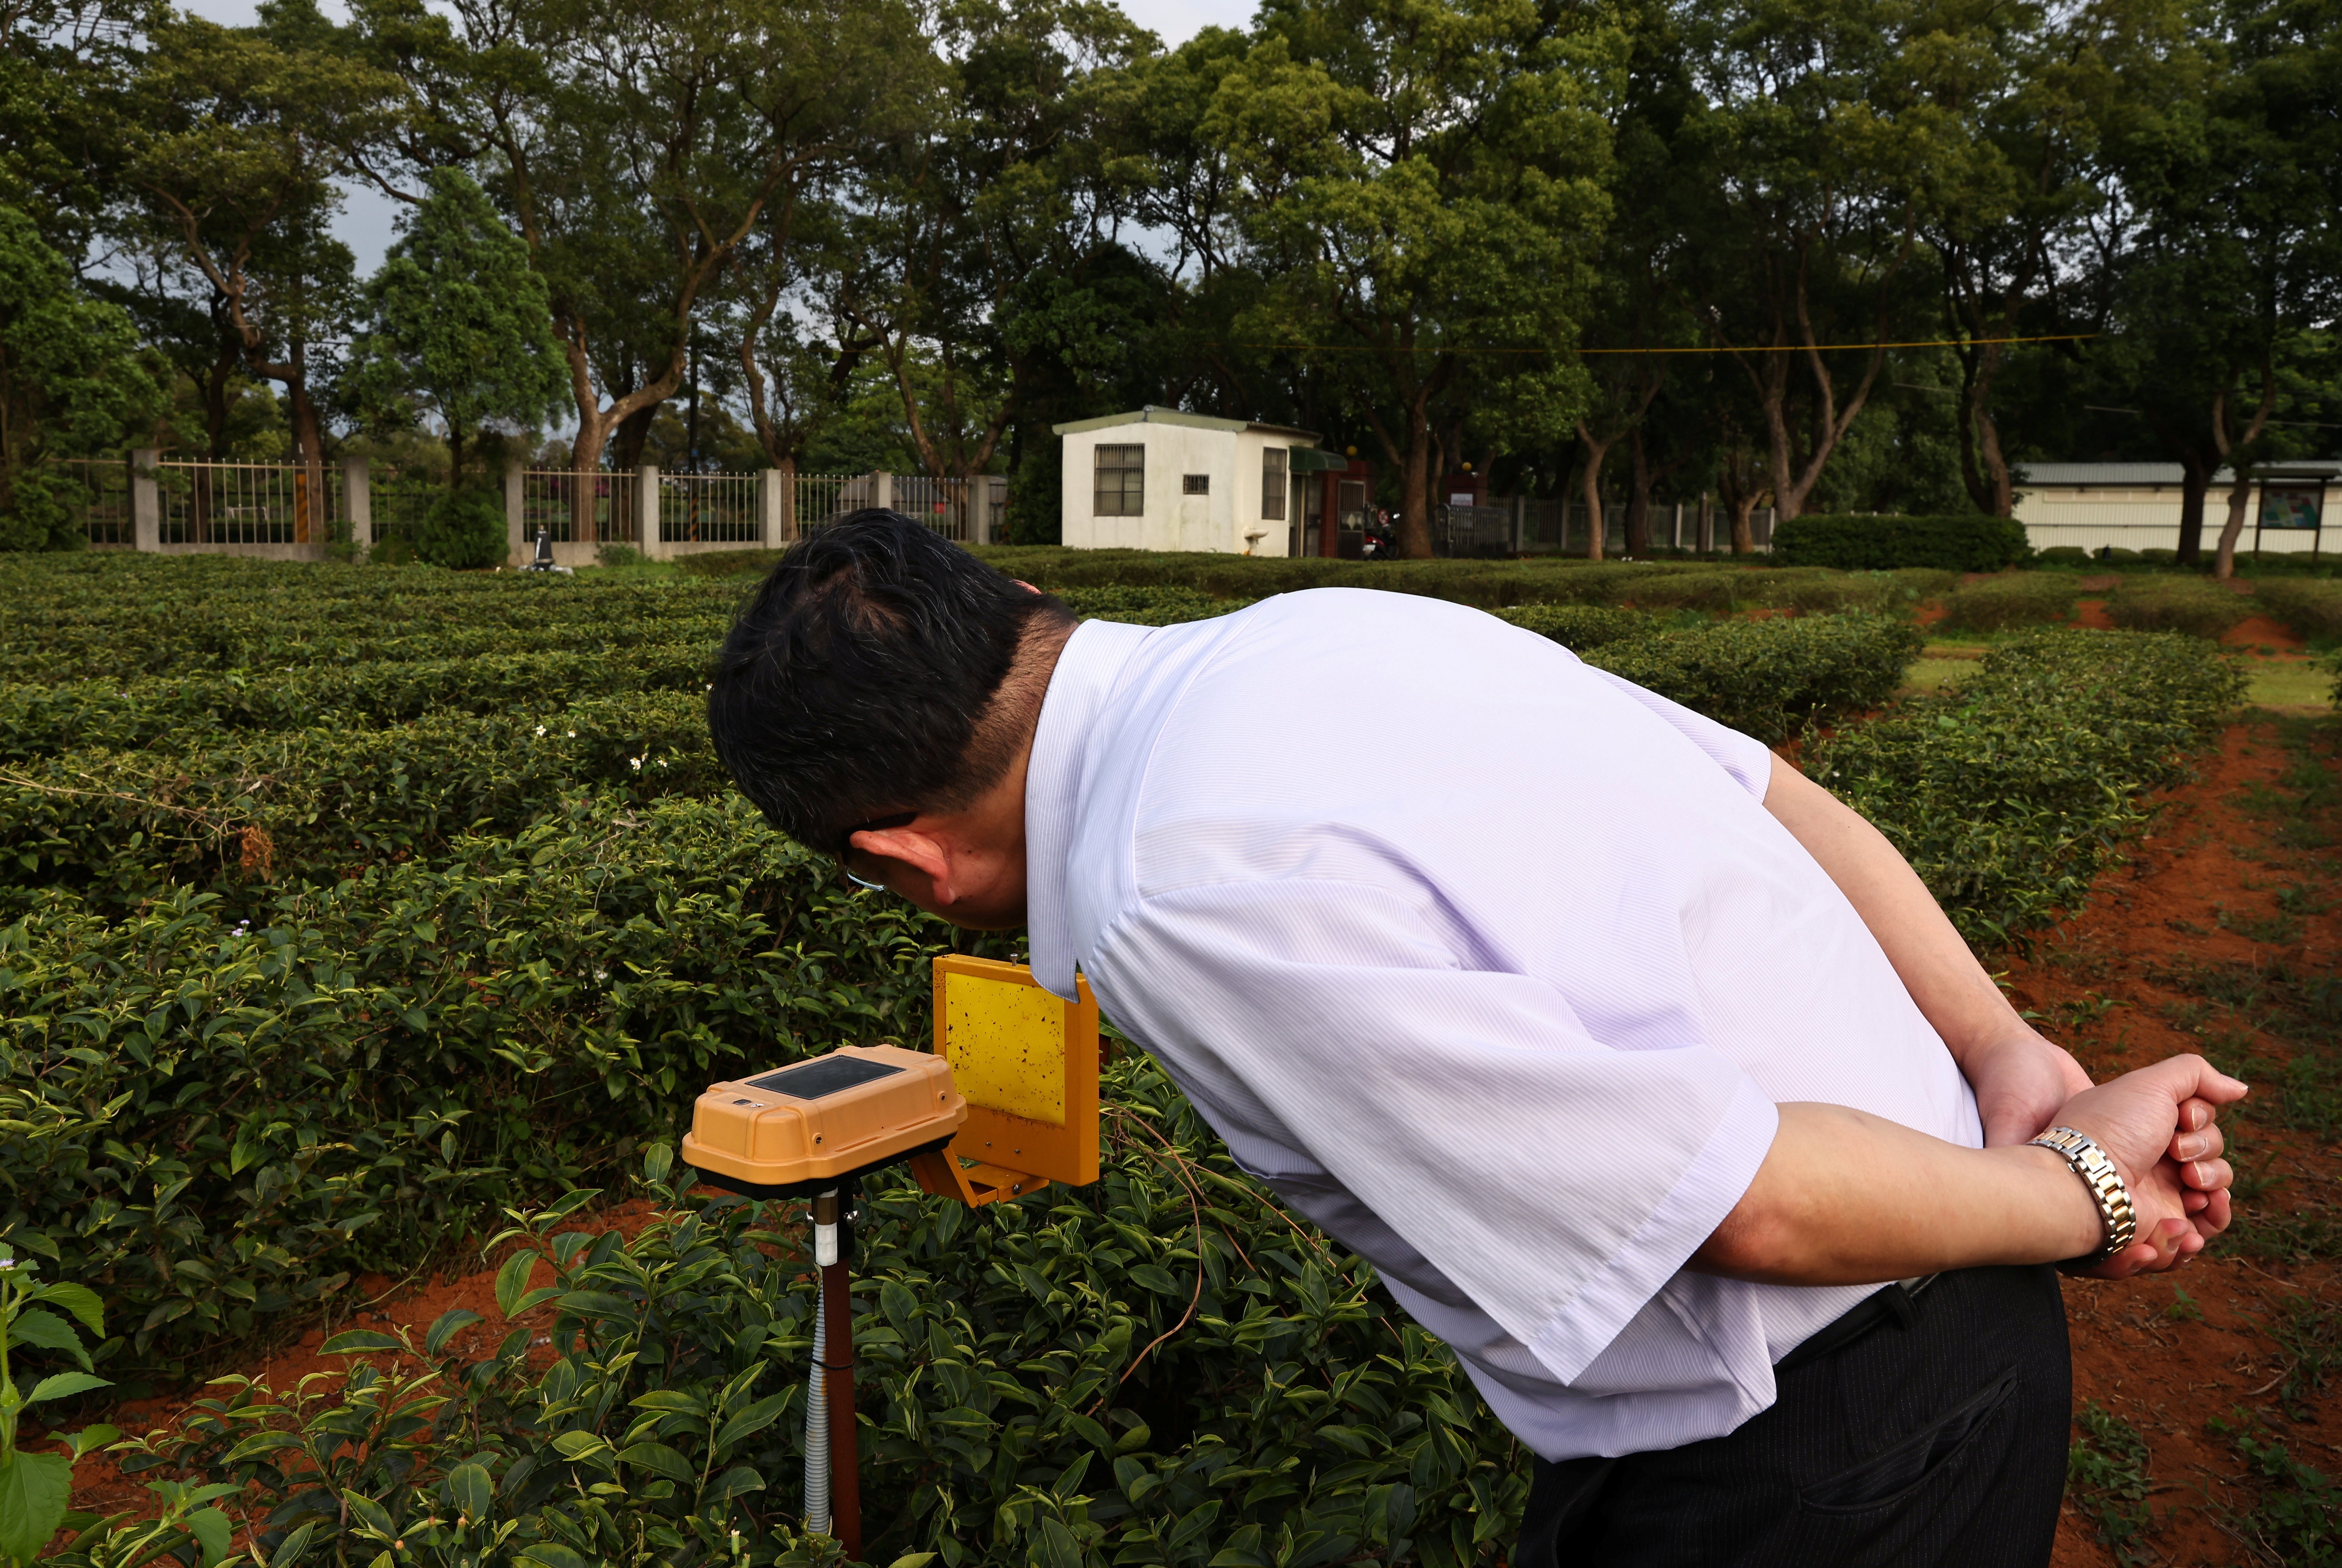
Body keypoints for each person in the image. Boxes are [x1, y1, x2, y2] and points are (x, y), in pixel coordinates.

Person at [706, 512, 2243, 1566]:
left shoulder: (1167, 891)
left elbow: (1736, 1199)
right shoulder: (1323, 627)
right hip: (1957, 1337)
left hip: (1826, 1457)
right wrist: (2011, 1055)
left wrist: (2087, 1190)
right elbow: (1767, 788)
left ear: (903, 858)